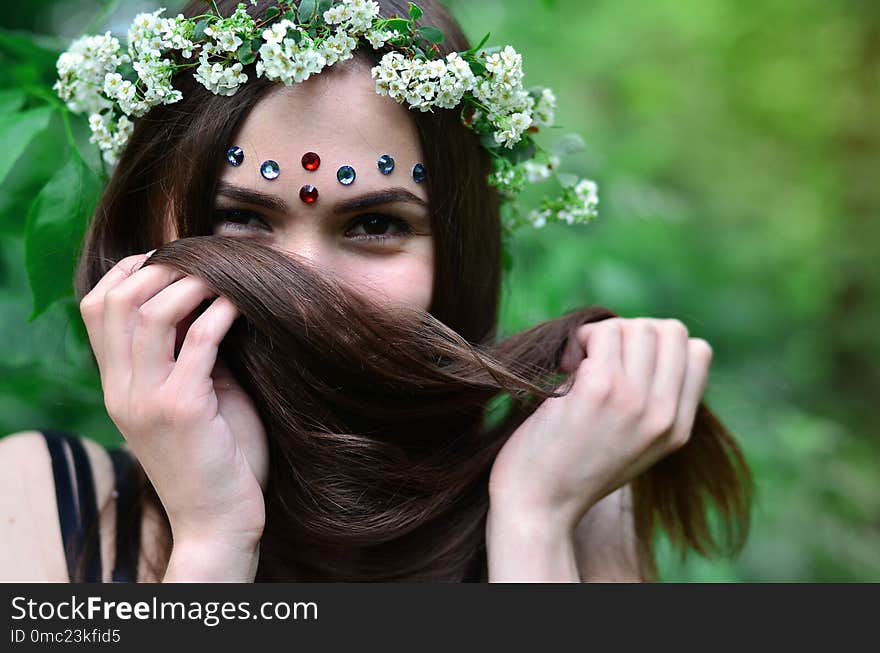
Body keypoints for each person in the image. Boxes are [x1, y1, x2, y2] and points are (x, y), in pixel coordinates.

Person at [0, 0, 752, 582]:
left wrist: (533, 525)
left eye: (374, 225)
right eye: (239, 217)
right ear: (142, 230)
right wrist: (214, 538)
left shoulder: (581, 504)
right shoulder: (44, 500)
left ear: (455, 258)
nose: (303, 287)